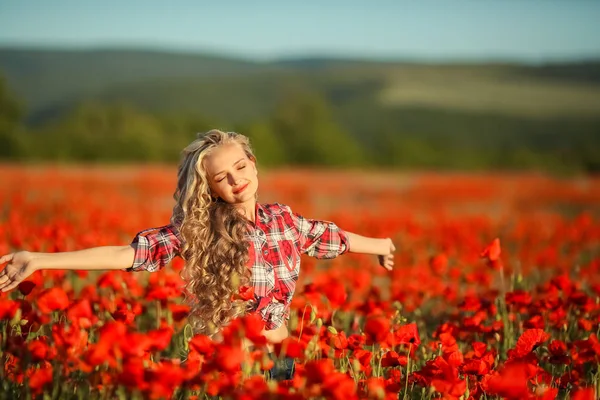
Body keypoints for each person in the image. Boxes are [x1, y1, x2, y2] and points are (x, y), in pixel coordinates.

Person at [0, 129, 396, 381]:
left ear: (254, 166)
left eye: (241, 167)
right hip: (227, 368)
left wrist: (381, 246)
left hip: (281, 367)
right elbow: (129, 254)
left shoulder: (284, 220)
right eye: (222, 177)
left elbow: (330, 236)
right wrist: (39, 259)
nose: (236, 179)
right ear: (210, 188)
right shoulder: (199, 230)